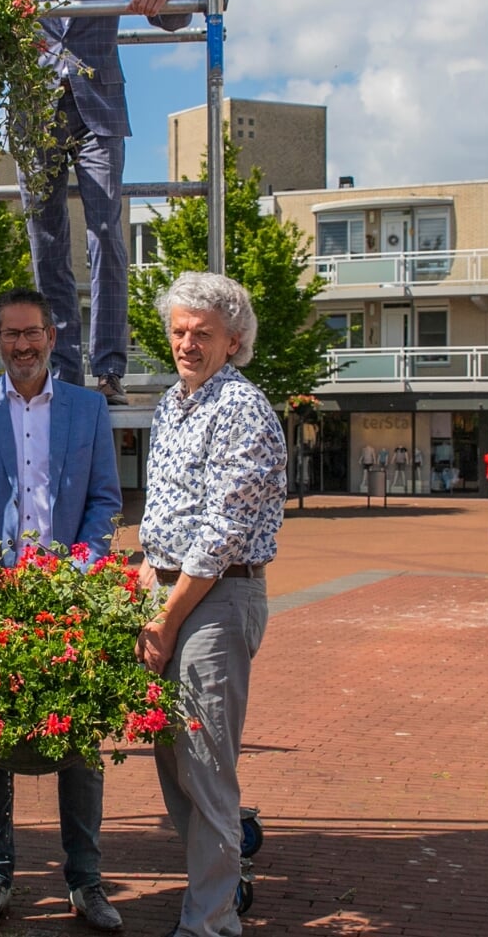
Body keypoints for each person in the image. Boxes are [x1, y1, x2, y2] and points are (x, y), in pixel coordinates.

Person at [0, 288, 124, 931]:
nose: (23, 344)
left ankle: (86, 881)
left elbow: (103, 503)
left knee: (81, 742)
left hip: (67, 599)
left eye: (32, 332)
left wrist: (81, 572)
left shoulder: (87, 409)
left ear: (53, 335)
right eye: (10, 334)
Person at [0, 0, 191, 405]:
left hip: (98, 106)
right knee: (47, 240)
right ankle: (64, 370)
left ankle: (107, 370)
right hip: (36, 112)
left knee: (106, 234)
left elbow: (172, 11)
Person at [134, 273, 286, 937]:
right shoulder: (172, 402)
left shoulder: (243, 408)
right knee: (175, 759)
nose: (187, 343)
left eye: (203, 333)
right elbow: (164, 511)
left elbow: (222, 531)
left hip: (216, 595)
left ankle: (211, 922)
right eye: (179, 330)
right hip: (169, 590)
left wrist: (167, 620)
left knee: (204, 762)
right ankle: (219, 887)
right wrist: (145, 582)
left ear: (234, 341)